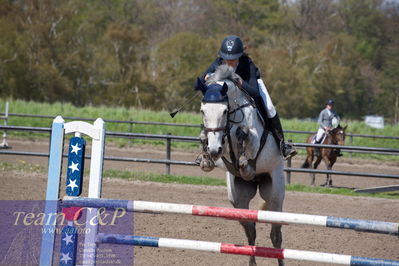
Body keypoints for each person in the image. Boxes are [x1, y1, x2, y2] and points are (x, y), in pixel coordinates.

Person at [199, 35, 297, 160]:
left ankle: (282, 145)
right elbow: (201, 82)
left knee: (270, 107)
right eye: (226, 58)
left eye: (233, 59)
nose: (229, 61)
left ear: (240, 56)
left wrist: (240, 82)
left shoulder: (247, 64)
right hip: (230, 93)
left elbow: (255, 92)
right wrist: (208, 76)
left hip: (248, 86)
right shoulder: (218, 62)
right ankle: (205, 147)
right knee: (212, 107)